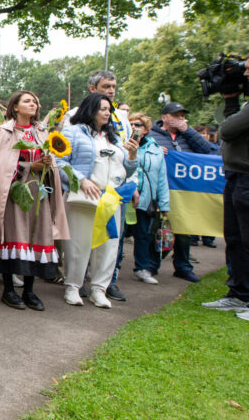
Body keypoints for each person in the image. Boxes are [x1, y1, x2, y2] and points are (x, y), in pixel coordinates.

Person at [0, 90, 69, 311]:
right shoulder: (4, 133)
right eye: (27, 101)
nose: (33, 104)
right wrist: (27, 167)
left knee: (36, 236)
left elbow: (52, 160)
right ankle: (8, 291)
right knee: (13, 236)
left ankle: (29, 290)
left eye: (35, 101)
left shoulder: (41, 131)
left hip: (39, 193)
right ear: (15, 106)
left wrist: (47, 163)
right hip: (14, 193)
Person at [58, 93, 138, 308]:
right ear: (90, 109)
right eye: (103, 108)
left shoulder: (114, 137)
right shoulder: (73, 132)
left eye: (108, 109)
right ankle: (73, 286)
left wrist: (132, 157)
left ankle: (98, 288)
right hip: (83, 197)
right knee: (78, 242)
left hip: (111, 198)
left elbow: (127, 171)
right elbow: (60, 161)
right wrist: (81, 180)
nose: (107, 113)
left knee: (109, 244)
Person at [147, 101, 213, 282]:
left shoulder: (187, 136)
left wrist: (188, 130)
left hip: (183, 192)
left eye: (183, 115)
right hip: (160, 190)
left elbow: (206, 150)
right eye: (176, 115)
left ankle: (183, 267)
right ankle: (152, 264)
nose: (180, 118)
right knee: (157, 229)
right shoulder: (153, 135)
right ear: (164, 117)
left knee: (183, 230)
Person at [202, 64, 249, 312]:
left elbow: (227, 130)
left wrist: (232, 104)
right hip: (236, 176)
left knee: (245, 239)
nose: (245, 74)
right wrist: (231, 100)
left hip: (245, 178)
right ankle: (239, 294)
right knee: (235, 238)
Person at [126, 113, 170, 285]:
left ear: (145, 129)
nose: (134, 127)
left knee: (143, 235)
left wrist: (164, 204)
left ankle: (142, 268)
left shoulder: (155, 150)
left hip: (145, 201)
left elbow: (161, 178)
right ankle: (112, 268)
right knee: (117, 236)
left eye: (138, 124)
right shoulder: (121, 144)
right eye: (130, 124)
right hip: (124, 197)